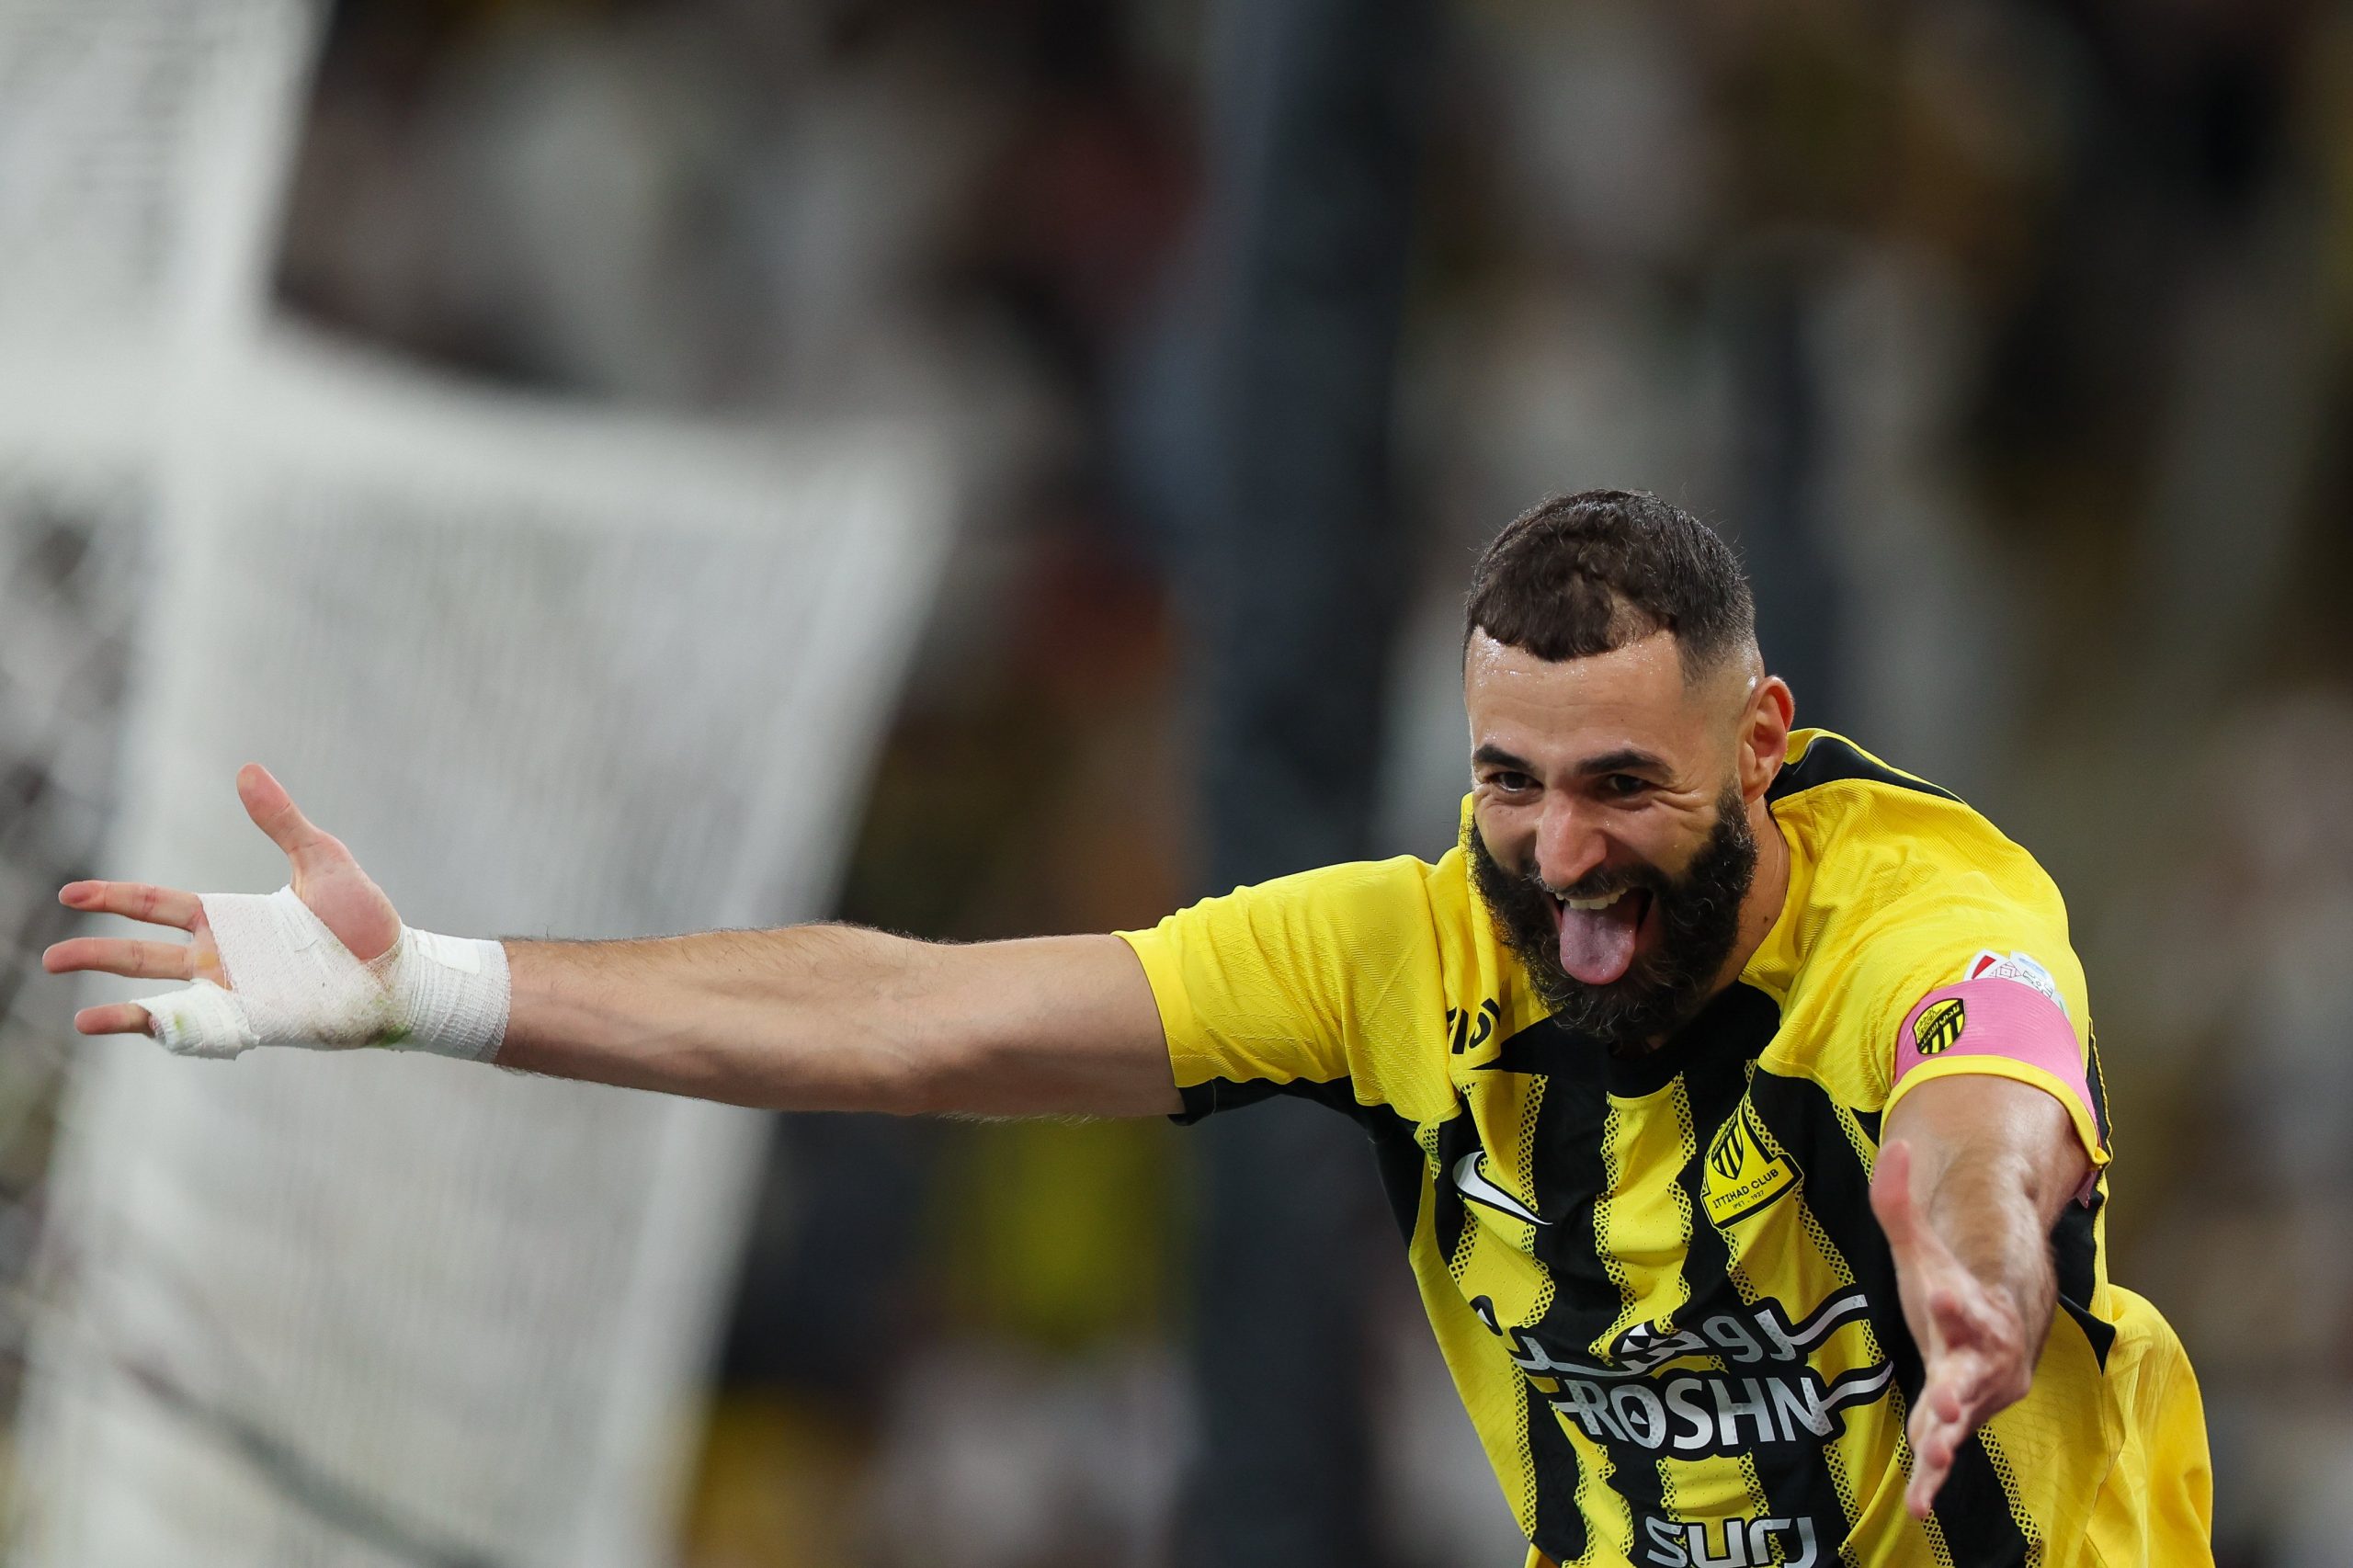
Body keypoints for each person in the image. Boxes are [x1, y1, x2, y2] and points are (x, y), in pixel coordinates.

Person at [45, 490, 2211, 1566]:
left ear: (1756, 742)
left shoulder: (1919, 901)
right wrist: (434, 983)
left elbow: (1981, 1077)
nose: (1558, 858)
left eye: (1623, 788)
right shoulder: (1392, 958)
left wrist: (1970, 1241)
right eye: (1506, 782)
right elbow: (908, 1019)